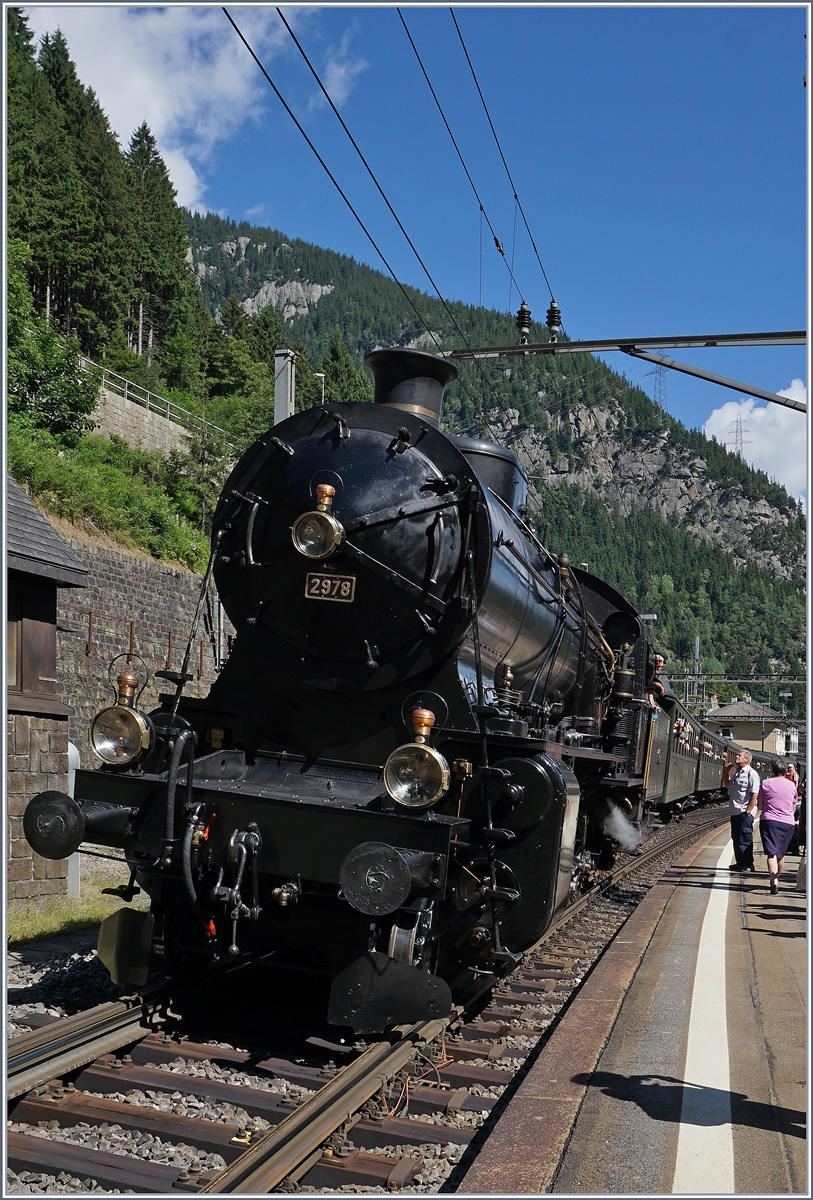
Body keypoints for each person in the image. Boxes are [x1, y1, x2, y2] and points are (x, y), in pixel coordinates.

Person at [757, 758, 798, 894]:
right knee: (781, 853)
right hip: (787, 822)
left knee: (771, 853)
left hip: (769, 821)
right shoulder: (792, 785)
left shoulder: (766, 783)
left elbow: (761, 805)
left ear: (773, 770)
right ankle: (776, 876)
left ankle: (774, 881)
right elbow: (793, 807)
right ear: (786, 771)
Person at [721, 749, 760, 872]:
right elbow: (727, 784)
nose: (736, 757)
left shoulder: (751, 773)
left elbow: (755, 794)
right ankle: (740, 862)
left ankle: (748, 864)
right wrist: (725, 770)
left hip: (744, 812)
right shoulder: (737, 772)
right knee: (736, 838)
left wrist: (748, 811)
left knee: (745, 838)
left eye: (739, 755)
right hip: (735, 811)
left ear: (746, 760)